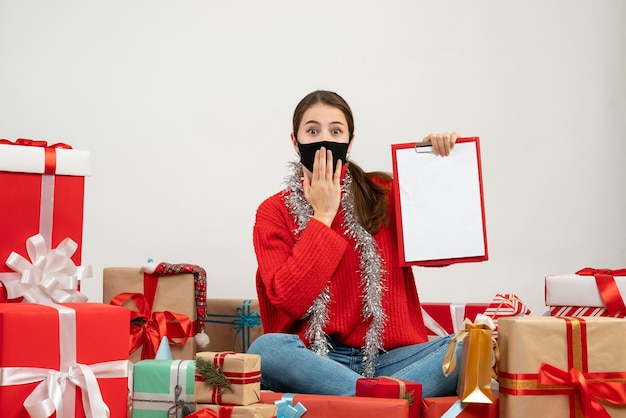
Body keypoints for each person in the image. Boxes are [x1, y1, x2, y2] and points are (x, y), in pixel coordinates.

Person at [247, 90, 461, 398]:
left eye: (335, 131)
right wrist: (322, 215)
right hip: (318, 362)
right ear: (295, 142)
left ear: (350, 141)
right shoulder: (273, 211)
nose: (324, 140)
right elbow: (289, 299)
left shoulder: (382, 194)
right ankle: (385, 403)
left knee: (469, 346)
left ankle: (367, 402)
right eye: (312, 131)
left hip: (392, 359)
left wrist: (432, 168)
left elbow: (442, 250)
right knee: (266, 350)